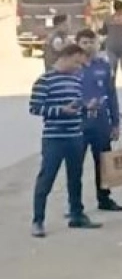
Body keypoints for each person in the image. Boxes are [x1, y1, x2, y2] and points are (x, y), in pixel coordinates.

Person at [28, 43, 99, 236]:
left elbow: (77, 104)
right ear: (67, 56)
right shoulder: (45, 80)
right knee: (46, 178)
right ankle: (38, 220)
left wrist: (86, 107)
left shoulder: (76, 80)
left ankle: (77, 214)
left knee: (75, 178)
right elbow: (35, 107)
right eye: (77, 62)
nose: (79, 67)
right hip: (54, 138)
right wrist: (60, 110)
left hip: (75, 136)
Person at [74, 29, 122, 213]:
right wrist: (83, 105)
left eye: (91, 42)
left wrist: (115, 123)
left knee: (103, 163)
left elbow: (111, 95)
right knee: (75, 165)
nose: (88, 46)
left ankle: (104, 199)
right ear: (77, 44)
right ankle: (75, 205)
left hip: (101, 124)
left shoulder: (103, 66)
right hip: (79, 124)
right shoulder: (72, 68)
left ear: (97, 43)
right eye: (84, 42)